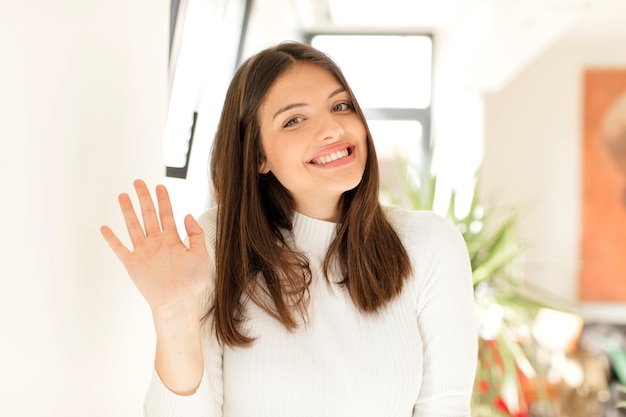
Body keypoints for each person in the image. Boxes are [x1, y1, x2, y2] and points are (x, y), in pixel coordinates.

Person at [101, 41, 477, 417]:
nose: (332, 128)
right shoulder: (218, 241)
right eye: (294, 120)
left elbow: (446, 407)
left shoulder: (429, 245)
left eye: (341, 106)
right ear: (258, 155)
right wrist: (174, 313)